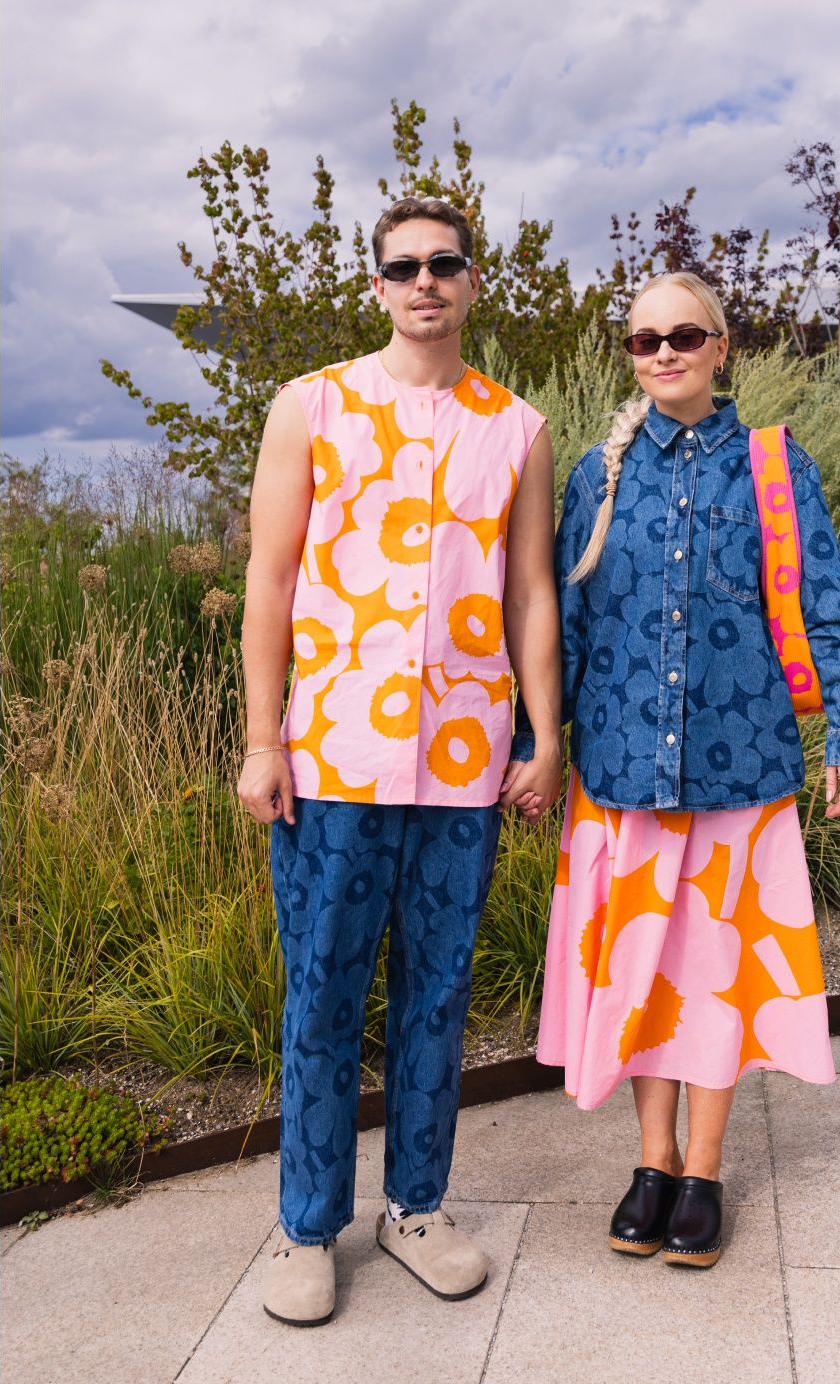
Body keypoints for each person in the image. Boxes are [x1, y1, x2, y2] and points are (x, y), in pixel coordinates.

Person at [239, 195, 562, 1325]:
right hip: (330, 759)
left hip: (463, 764)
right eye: (403, 265)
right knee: (322, 990)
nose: (425, 280)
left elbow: (529, 592)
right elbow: (269, 585)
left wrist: (544, 732)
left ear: (473, 280)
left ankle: (415, 1207)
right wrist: (259, 738)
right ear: (376, 285)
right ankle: (305, 1223)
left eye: (445, 262)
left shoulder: (516, 427)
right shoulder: (311, 405)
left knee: (438, 993)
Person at [516, 270, 840, 1269]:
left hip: (741, 768)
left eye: (682, 335)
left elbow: (830, 605)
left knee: (713, 977)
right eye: (642, 340)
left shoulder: (772, 468)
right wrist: (533, 742)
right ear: (628, 355)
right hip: (622, 769)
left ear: (721, 348)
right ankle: (650, 1160)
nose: (662, 352)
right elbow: (567, 626)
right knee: (640, 970)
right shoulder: (598, 472)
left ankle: (703, 1170)